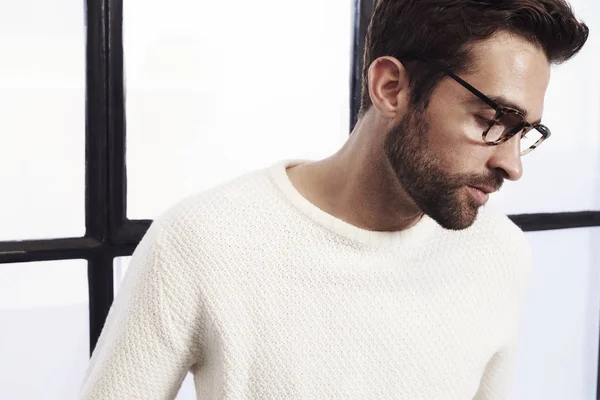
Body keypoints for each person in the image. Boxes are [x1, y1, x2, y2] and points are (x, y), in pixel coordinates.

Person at [80, 0, 589, 399]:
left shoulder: (500, 253)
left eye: (525, 131)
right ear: (391, 88)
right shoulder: (202, 243)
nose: (513, 164)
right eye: (492, 120)